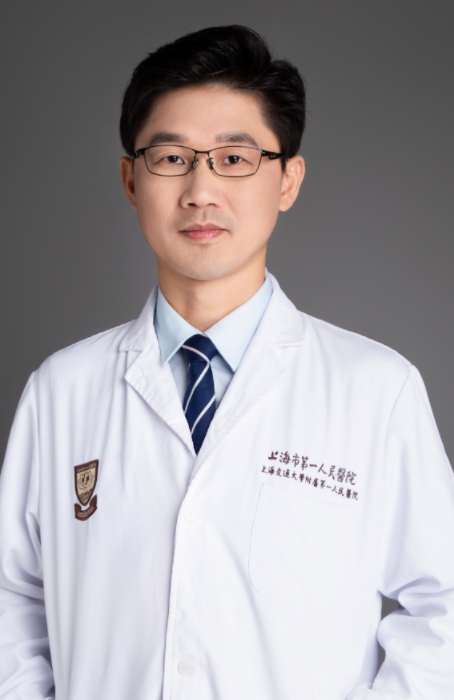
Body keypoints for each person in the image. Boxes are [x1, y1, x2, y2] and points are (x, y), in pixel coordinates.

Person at [0, 24, 453, 700]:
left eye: (235, 158)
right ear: (130, 180)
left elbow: (443, 609)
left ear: (288, 179)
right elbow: (12, 598)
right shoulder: (61, 391)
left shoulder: (375, 390)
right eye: (171, 158)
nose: (201, 191)